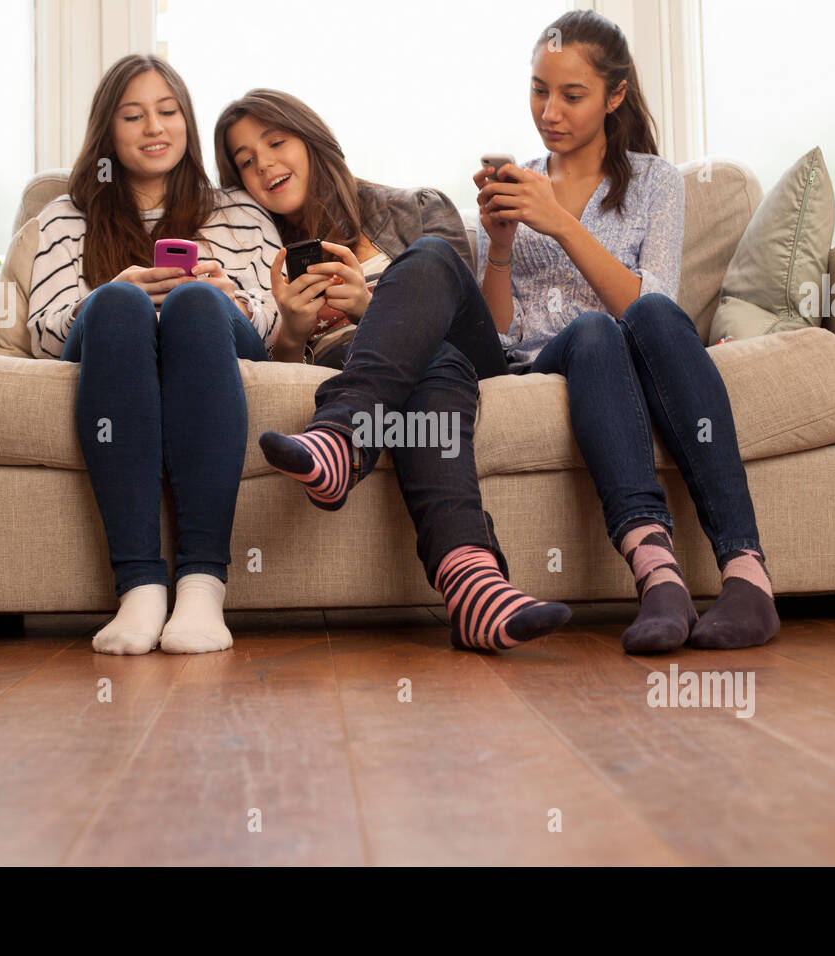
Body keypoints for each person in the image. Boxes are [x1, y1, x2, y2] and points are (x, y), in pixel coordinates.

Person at [248, 9, 780, 655]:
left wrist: (559, 223)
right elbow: (499, 332)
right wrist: (498, 248)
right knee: (434, 259)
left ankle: (731, 575)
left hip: (608, 349)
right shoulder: (520, 183)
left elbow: (652, 309)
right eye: (538, 89)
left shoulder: (654, 184)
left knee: (600, 329)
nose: (549, 111)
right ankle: (345, 436)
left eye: (571, 95)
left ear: (614, 97)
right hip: (514, 363)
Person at [215, 90, 572, 652]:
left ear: (311, 140)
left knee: (430, 256)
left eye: (275, 142)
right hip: (403, 370)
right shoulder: (255, 246)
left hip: (471, 357)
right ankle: (475, 586)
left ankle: (340, 435)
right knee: (435, 364)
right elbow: (274, 367)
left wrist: (367, 308)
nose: (263, 164)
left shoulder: (416, 208)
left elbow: (452, 303)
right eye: (244, 160)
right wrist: (290, 332)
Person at [26, 55, 284, 657]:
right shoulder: (66, 216)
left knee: (195, 299)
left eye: (168, 112)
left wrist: (233, 300)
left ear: (187, 122)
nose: (154, 128)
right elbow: (44, 331)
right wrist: (115, 289)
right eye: (133, 116)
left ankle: (201, 585)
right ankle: (140, 587)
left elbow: (277, 325)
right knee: (118, 305)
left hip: (212, 336)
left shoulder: (240, 211)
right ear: (107, 131)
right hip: (111, 340)